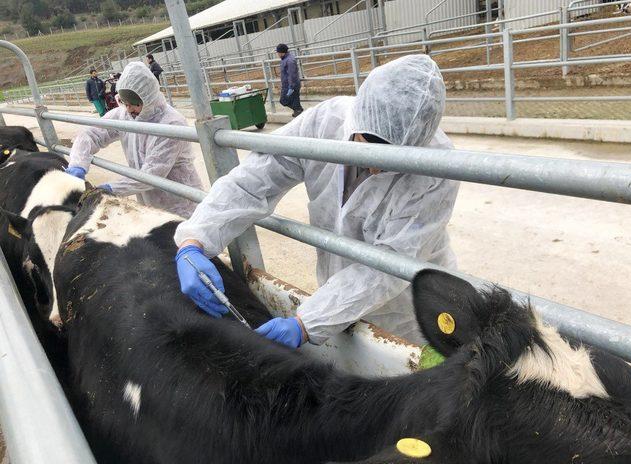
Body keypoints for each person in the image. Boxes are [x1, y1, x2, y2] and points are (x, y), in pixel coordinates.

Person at [174, 55, 460, 349]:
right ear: (358, 120)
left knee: (410, 371)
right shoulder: (326, 124)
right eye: (369, 146)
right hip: (335, 297)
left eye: (391, 162)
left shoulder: (436, 169)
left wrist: (306, 323)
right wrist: (195, 239)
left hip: (406, 307)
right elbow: (253, 181)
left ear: (416, 147)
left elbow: (388, 265)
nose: (376, 168)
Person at [65, 62, 203, 218]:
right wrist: (78, 164)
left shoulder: (170, 124)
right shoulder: (124, 114)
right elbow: (91, 134)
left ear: (149, 99)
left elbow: (152, 174)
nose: (129, 109)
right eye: (125, 103)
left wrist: (110, 189)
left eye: (135, 104)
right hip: (147, 201)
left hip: (179, 202)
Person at [276, 43, 304, 118]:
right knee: (294, 102)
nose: (277, 54)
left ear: (281, 52)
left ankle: (298, 111)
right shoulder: (285, 59)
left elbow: (292, 75)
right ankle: (298, 111)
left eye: (278, 52)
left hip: (291, 86)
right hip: (287, 85)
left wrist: (291, 87)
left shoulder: (290, 60)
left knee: (284, 100)